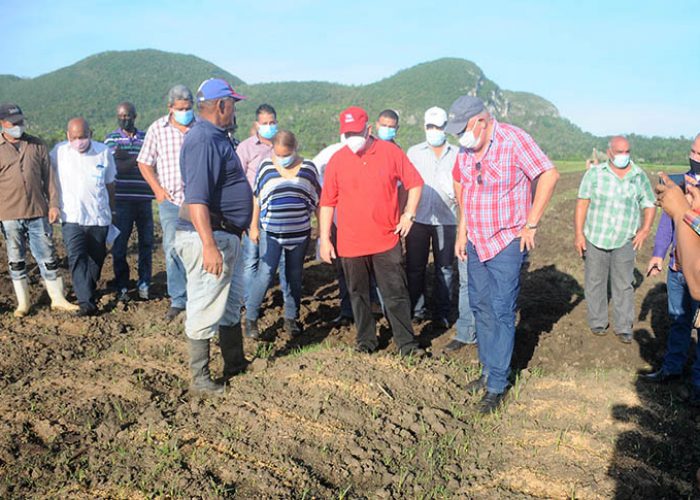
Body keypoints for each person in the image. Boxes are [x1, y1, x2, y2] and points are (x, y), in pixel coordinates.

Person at [449, 96, 560, 413]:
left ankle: (498, 384)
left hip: (507, 241)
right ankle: (487, 370)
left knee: (500, 309)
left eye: (464, 129)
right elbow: (468, 191)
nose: (461, 137)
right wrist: (462, 231)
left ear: (481, 122)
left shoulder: (514, 140)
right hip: (476, 239)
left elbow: (548, 175)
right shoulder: (467, 150)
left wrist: (531, 223)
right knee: (480, 305)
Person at [319, 106, 425, 358]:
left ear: (368, 130)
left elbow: (415, 183)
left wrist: (409, 214)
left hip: (385, 239)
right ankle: (366, 340)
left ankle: (406, 343)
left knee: (395, 293)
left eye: (355, 132)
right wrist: (324, 239)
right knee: (358, 294)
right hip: (350, 242)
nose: (351, 138)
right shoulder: (337, 160)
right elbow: (327, 202)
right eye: (346, 134)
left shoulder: (390, 152)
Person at [175, 78, 251, 395]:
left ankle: (235, 361)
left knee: (229, 304)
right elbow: (197, 199)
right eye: (232, 104)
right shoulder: (203, 140)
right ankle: (201, 379)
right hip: (210, 236)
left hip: (225, 235)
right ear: (221, 105)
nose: (234, 111)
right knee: (205, 303)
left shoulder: (219, 138)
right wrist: (208, 245)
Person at [574, 136, 656, 343]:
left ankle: (623, 326)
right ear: (609, 153)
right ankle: (598, 321)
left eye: (626, 151)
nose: (623, 156)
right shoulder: (595, 174)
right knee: (595, 281)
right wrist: (579, 234)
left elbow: (649, 202)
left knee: (623, 283)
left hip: (625, 238)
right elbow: (583, 203)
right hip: (596, 236)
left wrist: (645, 229)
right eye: (619, 152)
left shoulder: (638, 176)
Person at [0, 103, 78, 316]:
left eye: (21, 122)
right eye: (13, 123)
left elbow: (49, 178)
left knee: (47, 254)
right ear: (2, 124)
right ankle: (23, 303)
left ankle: (57, 298)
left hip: (37, 211)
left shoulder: (36, 144)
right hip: (8, 213)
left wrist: (53, 204)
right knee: (16, 258)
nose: (18, 126)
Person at [245, 130, 321, 339]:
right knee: (265, 273)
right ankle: (251, 318)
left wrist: (322, 229)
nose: (283, 159)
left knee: (294, 275)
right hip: (271, 231)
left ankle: (291, 317)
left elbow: (317, 200)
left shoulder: (308, 168)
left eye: (286, 154)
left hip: (299, 232)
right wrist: (253, 226)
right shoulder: (266, 167)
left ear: (295, 148)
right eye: (279, 154)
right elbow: (257, 198)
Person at [642, 136, 700, 405]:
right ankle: (672, 370)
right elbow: (668, 223)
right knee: (678, 321)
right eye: (693, 151)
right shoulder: (678, 183)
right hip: (677, 270)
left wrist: (688, 209)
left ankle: (698, 384)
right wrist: (657, 254)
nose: (696, 158)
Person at [137, 85, 195, 321]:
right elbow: (144, 162)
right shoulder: (157, 129)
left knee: (199, 248)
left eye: (188, 108)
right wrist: (158, 190)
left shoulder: (201, 128)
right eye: (180, 109)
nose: (185, 112)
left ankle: (197, 297)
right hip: (170, 200)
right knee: (172, 248)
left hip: (197, 201)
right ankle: (179, 299)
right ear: (170, 108)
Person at [50, 117, 116, 316]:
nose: (79, 141)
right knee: (77, 257)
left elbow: (110, 183)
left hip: (98, 216)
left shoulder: (103, 152)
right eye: (75, 137)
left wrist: (113, 211)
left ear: (91, 134)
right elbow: (49, 178)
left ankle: (88, 288)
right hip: (71, 216)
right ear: (68, 136)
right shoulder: (59, 153)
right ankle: (85, 301)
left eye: (83, 137)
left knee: (96, 258)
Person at [405, 107, 462, 331]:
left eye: (439, 127)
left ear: (446, 128)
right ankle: (417, 309)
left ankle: (443, 313)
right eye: (431, 127)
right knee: (415, 267)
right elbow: (407, 184)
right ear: (425, 127)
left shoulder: (457, 154)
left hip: (447, 219)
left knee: (445, 268)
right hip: (418, 218)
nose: (434, 131)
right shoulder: (414, 152)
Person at [235, 104, 292, 320]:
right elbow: (238, 181)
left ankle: (289, 308)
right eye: (265, 123)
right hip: (253, 212)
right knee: (252, 258)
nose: (269, 127)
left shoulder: (282, 146)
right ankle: (249, 303)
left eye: (272, 123)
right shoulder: (246, 148)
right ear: (256, 125)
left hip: (278, 213)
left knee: (282, 261)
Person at [105, 101, 154, 302]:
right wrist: (140, 160)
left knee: (146, 244)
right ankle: (123, 286)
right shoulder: (111, 139)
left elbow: (153, 163)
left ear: (135, 116)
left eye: (128, 115)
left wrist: (129, 158)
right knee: (120, 246)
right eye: (121, 116)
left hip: (144, 199)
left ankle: (144, 284)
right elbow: (118, 168)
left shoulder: (147, 137)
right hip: (122, 200)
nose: (124, 119)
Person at [312, 141, 353, 326]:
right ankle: (347, 311)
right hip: (338, 222)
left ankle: (375, 307)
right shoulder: (329, 155)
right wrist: (324, 235)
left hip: (365, 223)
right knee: (343, 268)